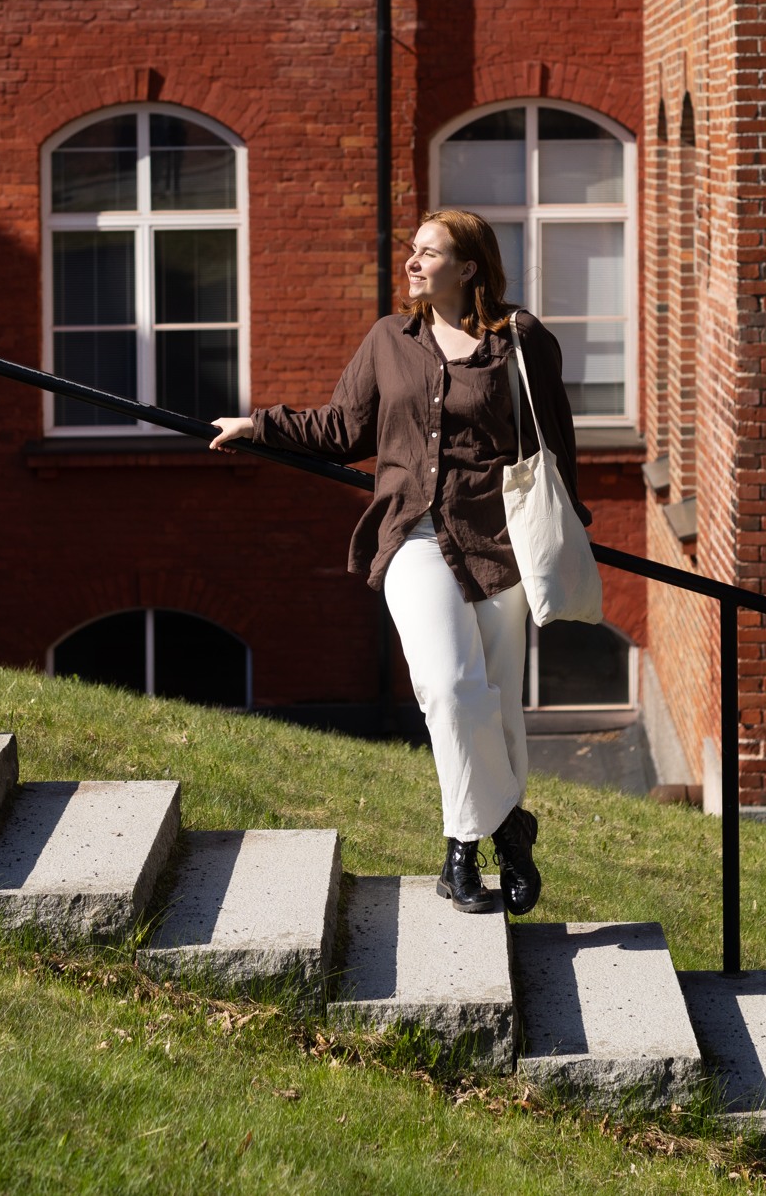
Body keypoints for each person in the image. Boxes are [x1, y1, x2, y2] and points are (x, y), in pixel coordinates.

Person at [209, 209, 587, 916]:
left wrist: (568, 533)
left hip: (502, 542)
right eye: (412, 251)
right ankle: (507, 830)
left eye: (428, 252)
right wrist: (257, 424)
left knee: (497, 703)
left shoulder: (519, 338)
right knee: (447, 688)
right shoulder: (390, 339)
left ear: (469, 267)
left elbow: (555, 442)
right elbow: (342, 427)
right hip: (414, 534)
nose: (412, 263)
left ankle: (459, 851)